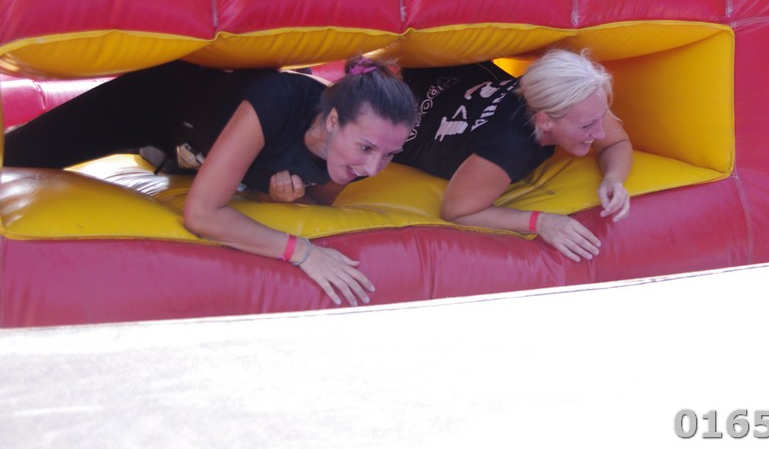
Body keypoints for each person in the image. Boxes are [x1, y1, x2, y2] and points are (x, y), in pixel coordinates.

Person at [4, 57, 418, 306]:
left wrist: (278, 198)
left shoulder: (349, 158)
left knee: (193, 162)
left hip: (194, 151)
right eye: (366, 148)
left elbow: (320, 203)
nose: (374, 168)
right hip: (154, 104)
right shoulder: (279, 101)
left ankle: (170, 158)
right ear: (332, 120)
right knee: (22, 152)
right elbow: (201, 214)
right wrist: (302, 252)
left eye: (390, 153)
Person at [394, 49, 632, 261]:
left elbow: (616, 142)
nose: (600, 133)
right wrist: (542, 222)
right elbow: (457, 211)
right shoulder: (510, 148)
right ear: (545, 120)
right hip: (402, 108)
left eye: (601, 117)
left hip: (443, 73)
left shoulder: (570, 98)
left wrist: (613, 179)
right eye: (587, 126)